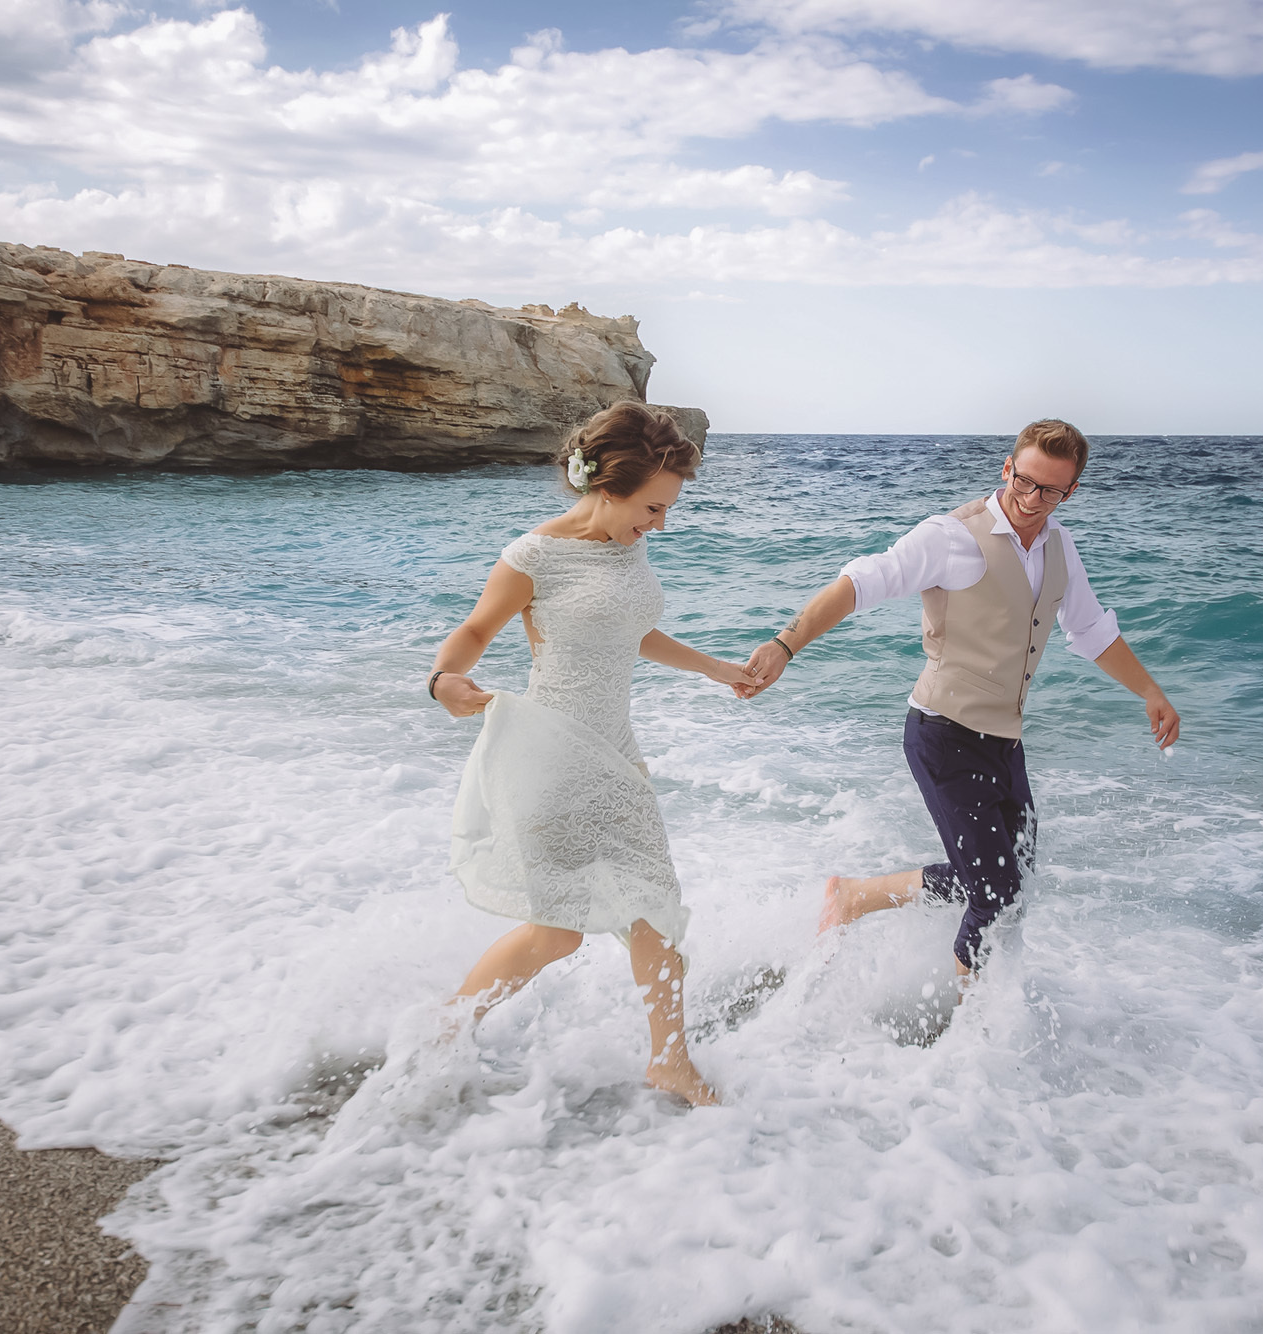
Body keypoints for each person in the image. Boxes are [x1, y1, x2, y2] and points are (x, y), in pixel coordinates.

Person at [742, 419, 1180, 989]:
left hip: (1005, 744)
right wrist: (784, 645)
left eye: (1050, 491)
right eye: (1024, 481)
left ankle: (855, 897)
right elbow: (861, 582)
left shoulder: (1060, 548)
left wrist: (1150, 691)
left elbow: (1091, 629)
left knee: (1012, 881)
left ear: (1071, 492)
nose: (1032, 499)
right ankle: (971, 1028)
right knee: (995, 894)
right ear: (1008, 468)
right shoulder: (951, 536)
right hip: (943, 734)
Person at [424, 402, 751, 1106]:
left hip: (616, 753)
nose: (659, 523)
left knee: (654, 909)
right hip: (553, 754)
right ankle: (446, 1030)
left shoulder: (627, 545)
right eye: (653, 508)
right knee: (557, 934)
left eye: (667, 510)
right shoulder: (534, 556)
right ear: (606, 485)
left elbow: (627, 629)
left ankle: (670, 1061)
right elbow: (476, 630)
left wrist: (714, 667)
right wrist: (443, 679)